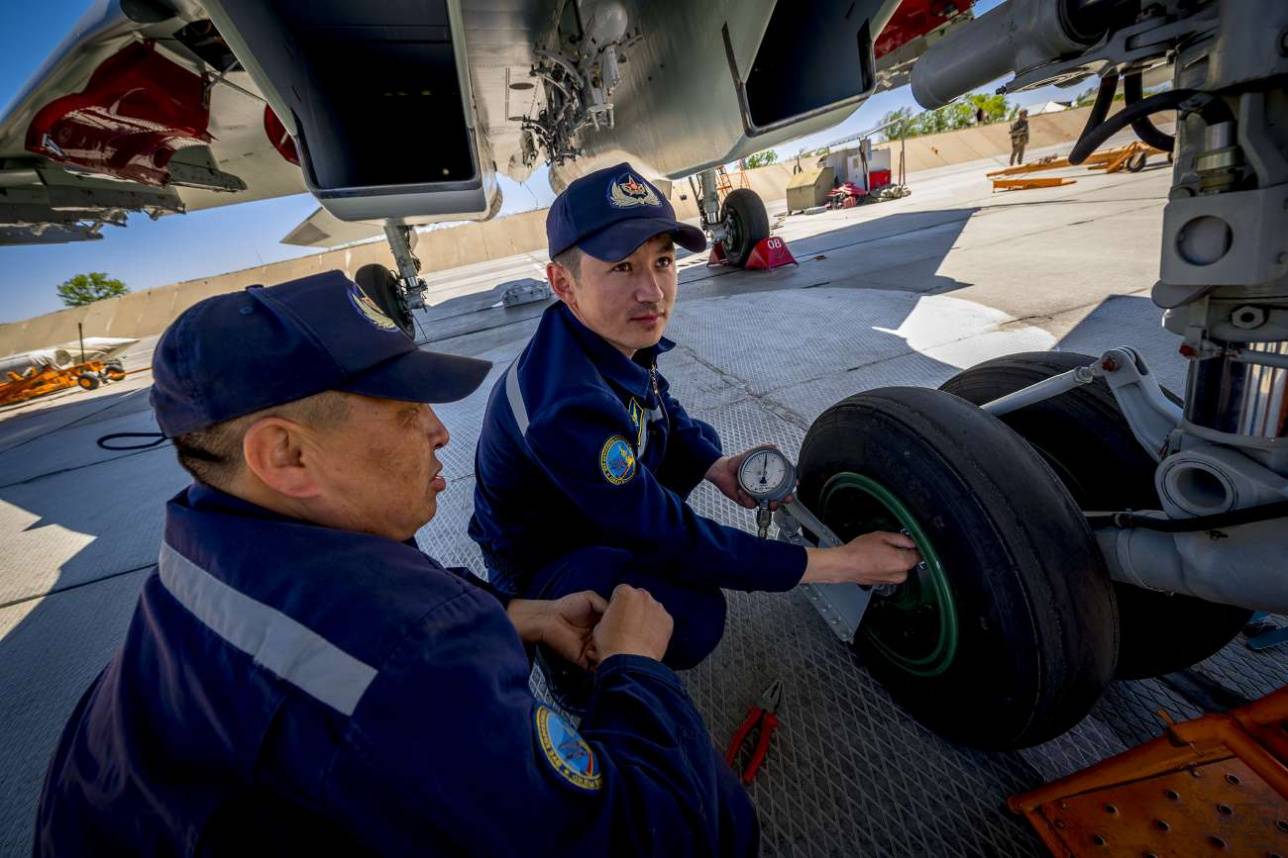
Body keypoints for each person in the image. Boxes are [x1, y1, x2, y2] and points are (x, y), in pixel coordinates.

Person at [35, 271, 759, 856]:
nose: (441, 431)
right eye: (406, 406)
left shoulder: (217, 532)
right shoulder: (407, 653)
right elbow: (644, 839)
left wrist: (512, 612)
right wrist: (638, 671)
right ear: (285, 454)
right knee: (715, 814)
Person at [469, 163, 921, 678]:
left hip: (588, 507)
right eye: (622, 267)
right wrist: (845, 564)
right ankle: (567, 656)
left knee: (697, 441)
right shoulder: (564, 408)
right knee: (693, 616)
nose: (653, 292)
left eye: (662, 261)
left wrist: (717, 465)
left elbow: (659, 406)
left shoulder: (603, 335)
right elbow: (675, 537)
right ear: (563, 283)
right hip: (544, 556)